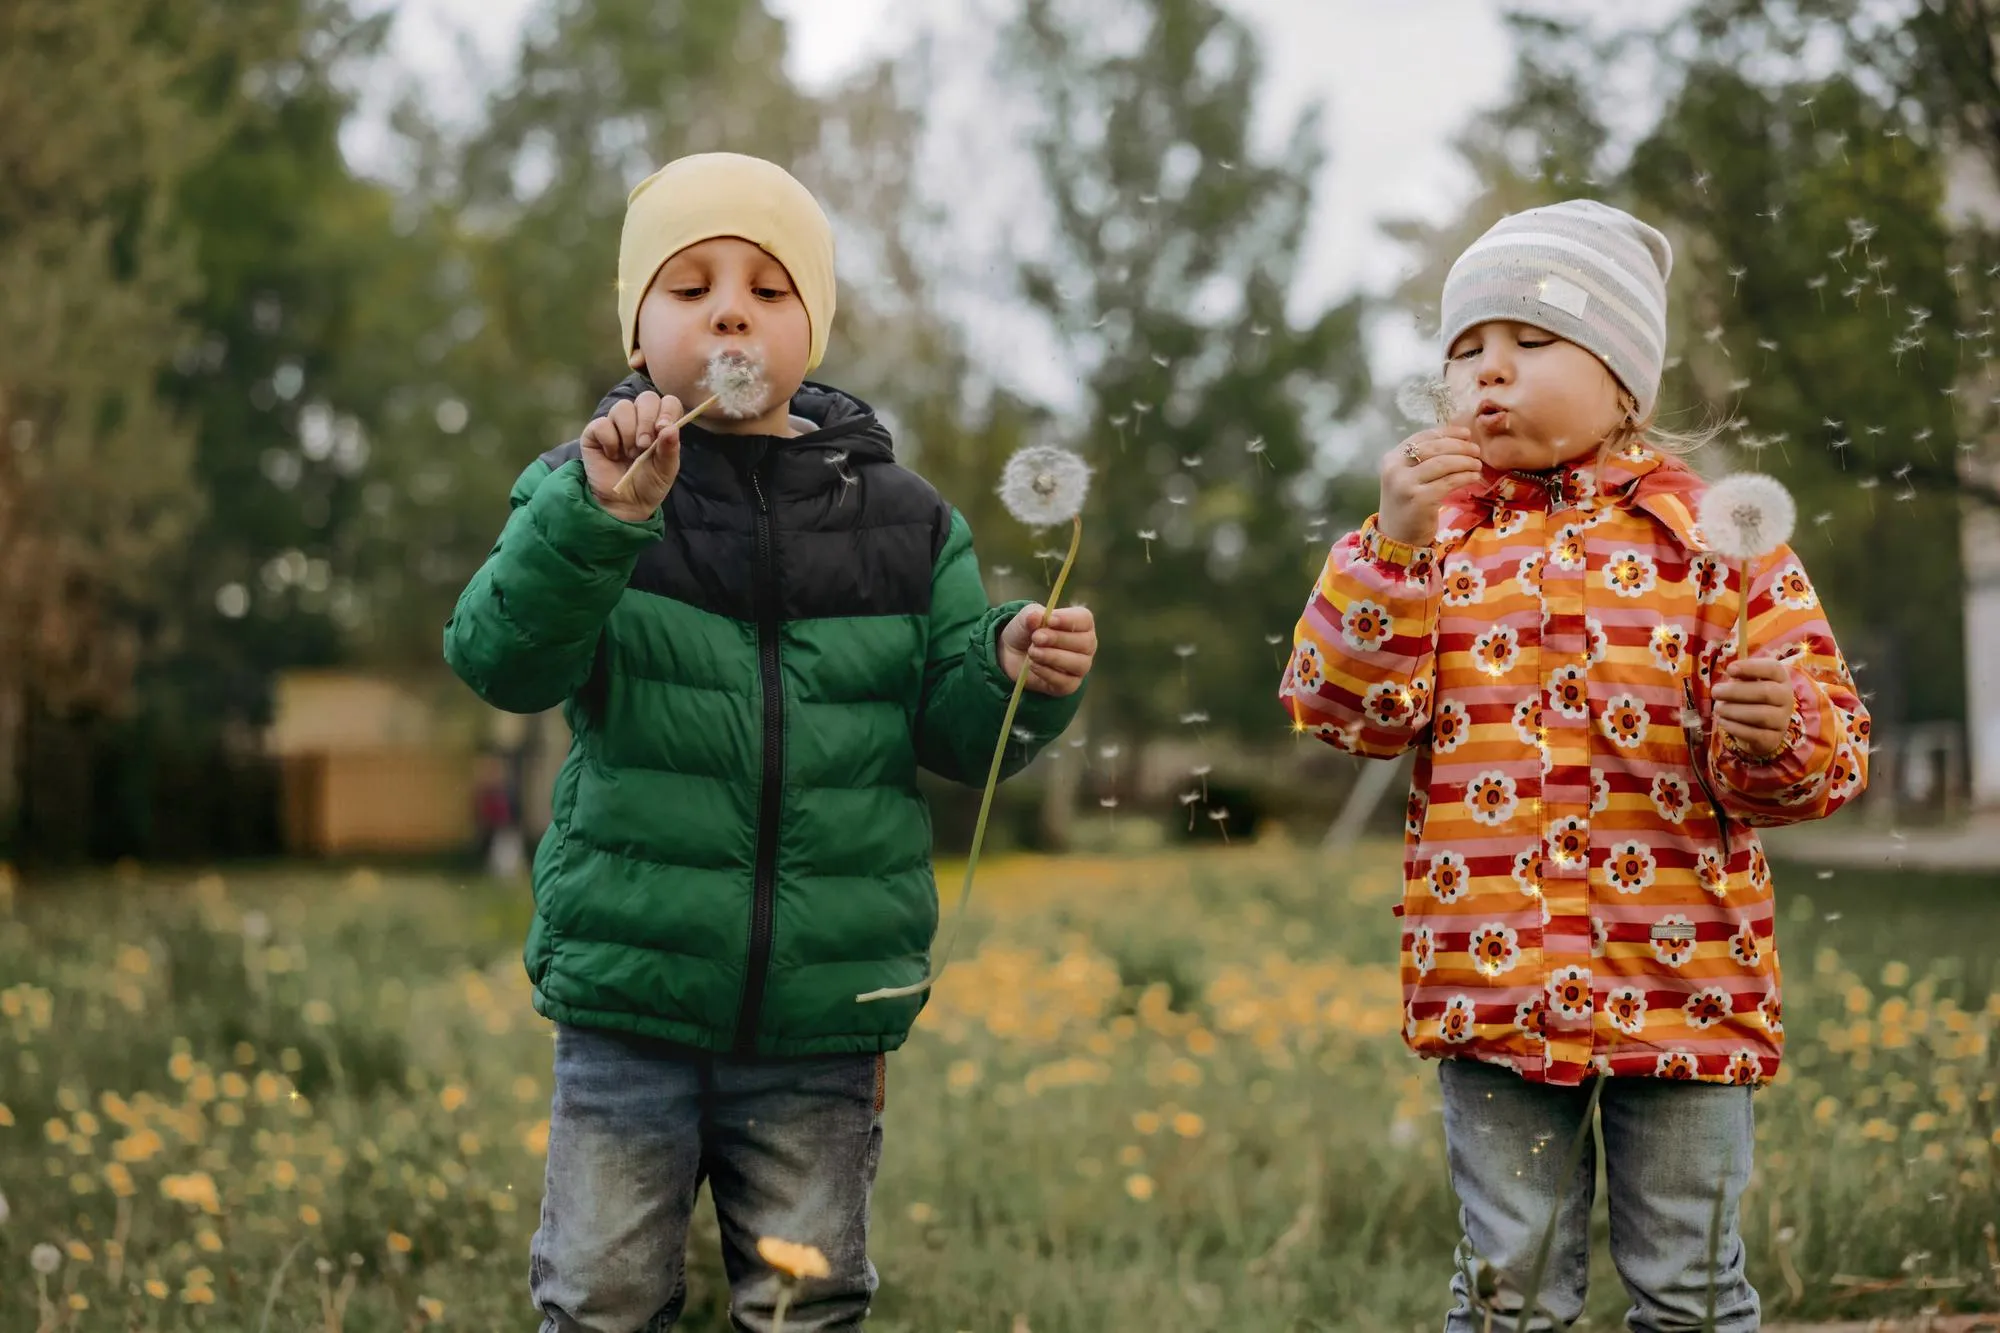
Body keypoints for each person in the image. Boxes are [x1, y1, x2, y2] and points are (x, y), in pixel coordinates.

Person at [444, 151, 1096, 1333]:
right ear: (637, 330)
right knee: (600, 1296)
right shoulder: (585, 488)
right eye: (690, 285)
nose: (730, 310)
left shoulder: (905, 521)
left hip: (823, 1017)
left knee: (804, 1304)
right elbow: (501, 660)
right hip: (628, 1003)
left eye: (767, 287)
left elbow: (959, 737)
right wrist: (595, 523)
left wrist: (1008, 671)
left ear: (813, 326)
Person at [1280, 199, 1869, 1332]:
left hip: (1685, 983)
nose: (1487, 371)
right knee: (1510, 1292)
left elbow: (1824, 757)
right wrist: (1390, 548)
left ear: (1624, 380)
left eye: (1529, 339)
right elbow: (1344, 711)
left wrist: (1776, 729)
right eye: (1464, 351)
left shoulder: (1718, 545)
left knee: (1692, 1290)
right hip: (1492, 984)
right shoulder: (1432, 542)